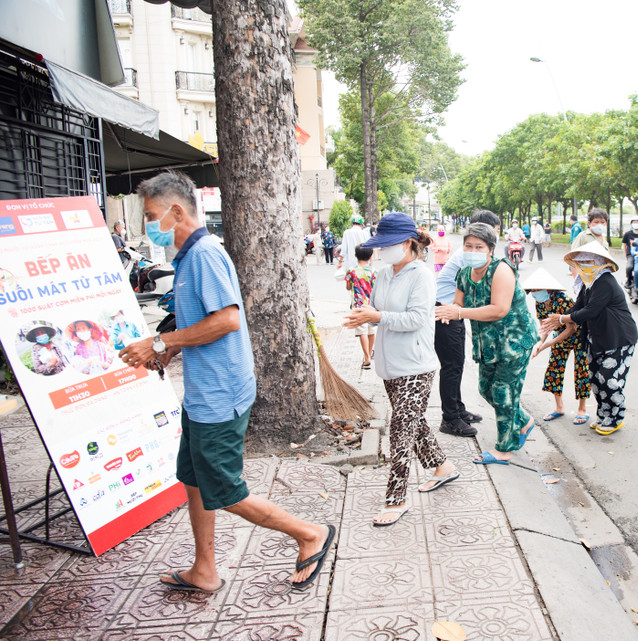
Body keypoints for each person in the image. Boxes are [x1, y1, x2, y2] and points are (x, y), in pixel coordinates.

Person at [119, 171, 334, 592]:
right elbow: (201, 321)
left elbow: (227, 320)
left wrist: (160, 342)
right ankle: (204, 569)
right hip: (204, 393)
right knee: (194, 479)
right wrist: (168, 350)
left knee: (226, 491)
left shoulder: (203, 256)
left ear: (176, 211)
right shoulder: (187, 259)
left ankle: (309, 533)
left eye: (150, 215)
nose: (146, 224)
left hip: (219, 396)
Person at [344, 212, 458, 525]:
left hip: (416, 366)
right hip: (390, 364)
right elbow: (379, 309)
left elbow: (418, 319)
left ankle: (396, 498)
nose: (382, 250)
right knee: (413, 421)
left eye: (389, 244)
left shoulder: (421, 274)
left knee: (400, 428)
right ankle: (442, 466)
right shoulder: (383, 273)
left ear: (408, 244)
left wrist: (377, 318)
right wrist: (365, 314)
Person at [435, 223, 539, 463]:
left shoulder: (501, 270)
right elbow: (458, 304)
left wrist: (459, 314)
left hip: (515, 341)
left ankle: (505, 449)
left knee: (502, 393)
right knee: (486, 389)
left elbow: (499, 309)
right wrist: (447, 311)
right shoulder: (463, 273)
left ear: (491, 249)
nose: (472, 250)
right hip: (489, 344)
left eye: (478, 246)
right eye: (468, 245)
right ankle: (524, 420)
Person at [541, 241, 638, 435]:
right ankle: (603, 415)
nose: (583, 265)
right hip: (597, 339)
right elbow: (577, 308)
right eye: (580, 261)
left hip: (618, 339)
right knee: (595, 379)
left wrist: (562, 318)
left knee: (610, 380)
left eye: (588, 261)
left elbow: (590, 311)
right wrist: (558, 320)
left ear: (600, 262)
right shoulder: (588, 285)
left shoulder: (605, 282)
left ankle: (616, 418)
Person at [432, 210, 501, 438]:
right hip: (445, 311)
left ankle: (458, 409)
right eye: (494, 231)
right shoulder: (470, 254)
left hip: (455, 311)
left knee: (457, 364)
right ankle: (449, 419)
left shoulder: (475, 253)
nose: (496, 236)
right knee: (451, 367)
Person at [523, 269, 590, 425]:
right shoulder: (539, 303)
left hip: (578, 334)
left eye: (536, 290)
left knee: (581, 371)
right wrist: (540, 343)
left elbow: (571, 328)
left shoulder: (562, 300)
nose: (534, 293)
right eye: (532, 290)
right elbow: (545, 328)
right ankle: (559, 407)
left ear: (547, 289)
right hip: (560, 336)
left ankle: (582, 409)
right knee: (554, 368)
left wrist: (548, 344)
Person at [345, 246, 377, 369]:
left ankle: (367, 358)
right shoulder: (374, 271)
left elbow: (348, 287)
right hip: (371, 305)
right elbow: (376, 288)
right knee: (371, 330)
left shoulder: (351, 271)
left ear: (355, 256)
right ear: (370, 257)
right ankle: (370, 353)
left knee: (361, 331)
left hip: (358, 305)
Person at [621, 216, 638, 288]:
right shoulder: (627, 234)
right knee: (629, 267)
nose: (636, 224)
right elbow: (624, 245)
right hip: (631, 254)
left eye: (637, 222)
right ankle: (628, 281)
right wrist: (626, 255)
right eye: (634, 222)